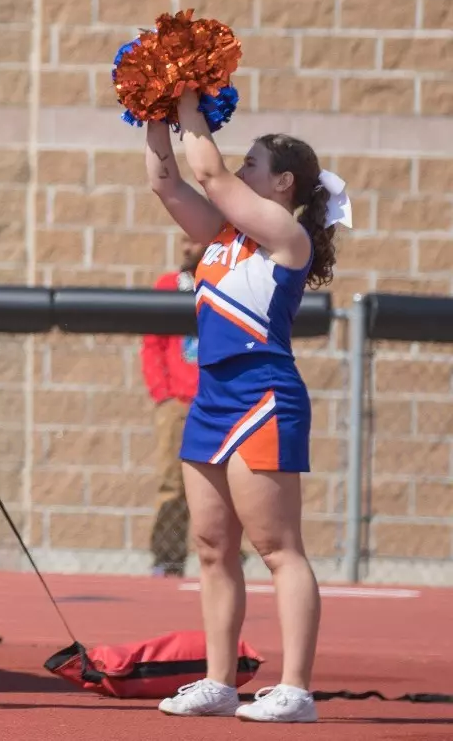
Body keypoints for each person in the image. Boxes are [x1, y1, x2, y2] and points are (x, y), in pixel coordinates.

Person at [146, 92, 346, 725]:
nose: (242, 168)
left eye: (254, 164)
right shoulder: (221, 234)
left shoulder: (287, 237)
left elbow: (208, 172)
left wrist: (185, 98)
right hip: (211, 395)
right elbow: (168, 181)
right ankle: (218, 680)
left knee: (278, 546)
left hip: (263, 394)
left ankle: (295, 688)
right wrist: (152, 115)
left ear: (283, 183)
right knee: (211, 546)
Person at [144, 238, 206, 579]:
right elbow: (152, 345)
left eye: (192, 240)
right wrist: (163, 395)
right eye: (182, 240)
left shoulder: (226, 282)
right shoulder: (170, 287)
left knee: (225, 483)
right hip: (178, 404)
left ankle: (230, 556)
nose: (185, 247)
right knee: (172, 483)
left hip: (218, 403)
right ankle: (167, 559)